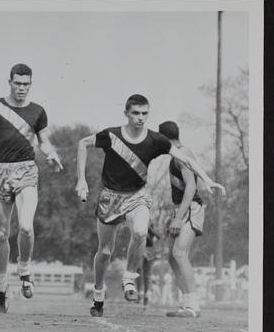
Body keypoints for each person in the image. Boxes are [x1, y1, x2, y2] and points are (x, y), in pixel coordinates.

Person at [75, 94, 225, 317]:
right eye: (135, 113)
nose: (140, 118)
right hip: (111, 197)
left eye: (145, 113)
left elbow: (186, 159)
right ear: (126, 113)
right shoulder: (111, 135)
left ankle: (130, 278)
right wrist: (81, 179)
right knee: (105, 251)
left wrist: (208, 179)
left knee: (140, 232)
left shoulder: (156, 140)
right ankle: (98, 294)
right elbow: (83, 143)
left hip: (138, 196)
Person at [0, 63, 63, 313]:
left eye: (26, 84)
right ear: (9, 82)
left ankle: (25, 269)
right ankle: (1, 289)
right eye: (17, 83)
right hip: (0, 172)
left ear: (30, 85)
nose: (21, 88)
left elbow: (44, 142)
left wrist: (51, 154)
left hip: (26, 171)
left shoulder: (38, 111)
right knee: (1, 234)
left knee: (26, 226)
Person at [159, 121, 206, 317]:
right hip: (181, 208)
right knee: (172, 257)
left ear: (164, 138)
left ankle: (194, 306)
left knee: (179, 253)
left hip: (190, 208)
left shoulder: (182, 154)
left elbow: (191, 187)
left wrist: (178, 218)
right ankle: (187, 303)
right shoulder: (176, 155)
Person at [136, 222, 160, 306]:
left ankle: (146, 295)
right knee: (139, 271)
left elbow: (159, 236)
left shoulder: (151, 228)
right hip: (140, 248)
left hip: (150, 250)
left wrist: (149, 228)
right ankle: (140, 293)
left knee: (147, 274)